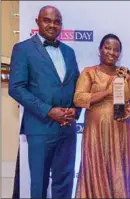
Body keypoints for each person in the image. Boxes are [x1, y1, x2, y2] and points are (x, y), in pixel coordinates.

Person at [8, 5, 81, 198]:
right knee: (39, 183)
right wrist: (48, 110)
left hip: (67, 128)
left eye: (57, 22)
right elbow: (16, 88)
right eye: (47, 20)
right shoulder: (23, 49)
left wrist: (75, 109)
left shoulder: (69, 52)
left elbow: (77, 85)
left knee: (64, 182)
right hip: (40, 127)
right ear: (37, 22)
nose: (52, 25)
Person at [73, 33, 130, 198]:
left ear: (120, 54)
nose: (111, 52)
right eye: (107, 48)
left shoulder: (126, 74)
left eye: (116, 50)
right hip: (96, 134)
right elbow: (79, 98)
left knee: (119, 169)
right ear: (100, 50)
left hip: (120, 131)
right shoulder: (89, 73)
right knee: (96, 168)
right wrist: (107, 92)